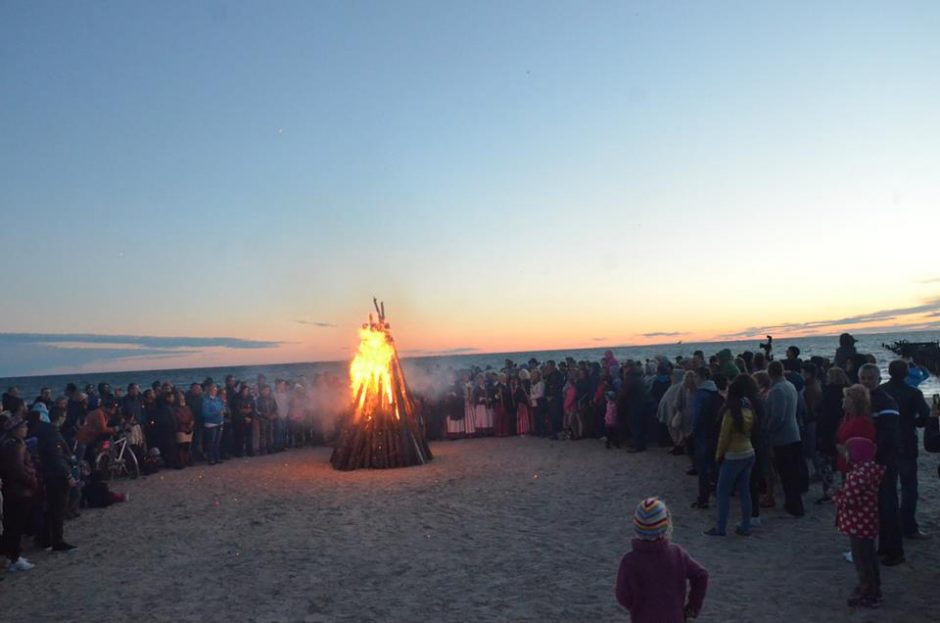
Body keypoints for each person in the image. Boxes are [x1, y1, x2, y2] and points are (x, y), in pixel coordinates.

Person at [615, 497, 708, 622]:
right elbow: (701, 575)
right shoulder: (677, 554)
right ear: (665, 526)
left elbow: (622, 596)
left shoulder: (629, 561)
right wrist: (692, 607)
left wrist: (638, 605)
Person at [858, 363, 905, 566]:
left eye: (870, 378)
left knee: (888, 505)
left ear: (878, 378)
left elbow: (888, 433)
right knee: (876, 507)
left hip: (885, 460)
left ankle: (895, 551)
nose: (867, 381)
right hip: (869, 461)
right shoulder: (863, 400)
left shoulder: (886, 401)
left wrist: (873, 451)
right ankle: (884, 546)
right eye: (863, 378)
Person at [879, 360, 931, 540]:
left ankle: (890, 525)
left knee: (888, 486)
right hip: (907, 441)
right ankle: (909, 526)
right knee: (909, 486)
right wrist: (914, 422)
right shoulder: (913, 393)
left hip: (885, 443)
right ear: (906, 373)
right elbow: (925, 416)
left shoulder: (882, 390)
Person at [833, 437, 885, 609]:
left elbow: (848, 500)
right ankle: (874, 588)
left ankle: (868, 592)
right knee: (869, 558)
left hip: (858, 524)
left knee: (862, 559)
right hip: (867, 522)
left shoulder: (858, 475)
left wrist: (836, 496)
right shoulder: (869, 470)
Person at [705, 375, 756, 537]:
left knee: (723, 493)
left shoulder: (730, 414)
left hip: (733, 455)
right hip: (748, 452)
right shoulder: (749, 410)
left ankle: (720, 528)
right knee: (745, 491)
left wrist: (718, 456)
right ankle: (746, 526)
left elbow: (723, 438)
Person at [34, 405, 77, 552]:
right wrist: (68, 475)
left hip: (50, 473)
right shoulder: (52, 434)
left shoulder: (46, 432)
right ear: (60, 418)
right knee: (58, 508)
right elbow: (56, 458)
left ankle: (46, 539)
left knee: (51, 508)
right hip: (56, 476)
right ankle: (57, 541)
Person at [0, 414, 39, 571]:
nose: (26, 429)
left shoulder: (6, 443)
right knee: (16, 525)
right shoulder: (16, 446)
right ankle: (15, 558)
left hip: (11, 490)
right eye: (23, 427)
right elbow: (19, 469)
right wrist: (32, 480)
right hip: (20, 490)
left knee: (10, 525)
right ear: (16, 430)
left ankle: (9, 556)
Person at [765, 361, 804, 517]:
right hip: (793, 434)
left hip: (783, 437)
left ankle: (793, 505)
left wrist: (767, 430)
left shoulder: (777, 390)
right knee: (791, 472)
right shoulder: (789, 385)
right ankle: (793, 503)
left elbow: (778, 417)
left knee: (787, 473)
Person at [817, 367, 851, 503]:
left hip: (828, 431)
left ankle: (828, 491)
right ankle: (846, 488)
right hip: (843, 429)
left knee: (826, 463)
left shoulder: (827, 392)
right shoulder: (847, 392)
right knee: (844, 462)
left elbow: (822, 412)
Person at [690, 368, 722, 509]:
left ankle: (703, 499)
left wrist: (692, 432)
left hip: (703, 434)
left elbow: (696, 417)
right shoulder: (716, 392)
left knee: (703, 469)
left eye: (696, 377)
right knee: (716, 467)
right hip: (716, 433)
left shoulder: (700, 394)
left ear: (701, 377)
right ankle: (719, 494)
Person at [201, 385, 225, 465]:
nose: (214, 391)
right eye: (213, 390)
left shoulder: (218, 400)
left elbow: (222, 408)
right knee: (211, 442)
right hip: (211, 424)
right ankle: (210, 458)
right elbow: (205, 413)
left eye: (215, 390)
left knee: (217, 442)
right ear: (209, 391)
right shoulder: (206, 401)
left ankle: (217, 457)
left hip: (219, 422)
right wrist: (216, 413)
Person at [174, 392, 195, 468]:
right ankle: (181, 462)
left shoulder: (187, 407)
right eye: (180, 398)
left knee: (188, 446)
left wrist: (191, 422)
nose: (181, 399)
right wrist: (187, 422)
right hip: (181, 429)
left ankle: (187, 460)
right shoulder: (175, 408)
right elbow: (178, 418)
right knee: (181, 446)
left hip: (189, 428)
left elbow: (191, 416)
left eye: (182, 397)